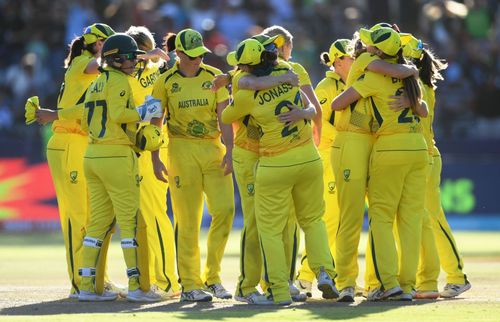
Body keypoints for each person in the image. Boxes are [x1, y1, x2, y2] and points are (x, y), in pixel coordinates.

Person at [222, 38, 338, 305]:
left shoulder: (246, 91)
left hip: (273, 161)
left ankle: (278, 290)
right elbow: (311, 108)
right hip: (308, 156)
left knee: (269, 230)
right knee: (313, 221)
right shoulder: (288, 73)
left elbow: (228, 116)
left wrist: (235, 90)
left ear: (248, 66)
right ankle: (324, 272)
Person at [332, 26, 428, 301]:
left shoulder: (372, 73)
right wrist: (411, 85)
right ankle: (407, 285)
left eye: (371, 43)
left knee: (380, 217)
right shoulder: (409, 78)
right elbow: (423, 109)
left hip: (388, 147)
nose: (365, 45)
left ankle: (388, 283)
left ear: (377, 50)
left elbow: (339, 104)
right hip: (417, 147)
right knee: (409, 220)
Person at [33, 23, 117, 299]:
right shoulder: (83, 62)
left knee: (94, 216)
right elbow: (101, 64)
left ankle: (95, 278)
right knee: (77, 216)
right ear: (96, 44)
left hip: (82, 142)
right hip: (69, 141)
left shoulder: (93, 68)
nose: (113, 49)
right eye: (107, 43)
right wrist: (137, 54)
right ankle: (81, 284)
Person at [78, 33, 164, 302]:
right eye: (129, 57)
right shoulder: (119, 81)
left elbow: (83, 120)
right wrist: (144, 112)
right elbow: (118, 114)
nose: (134, 62)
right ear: (115, 59)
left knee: (98, 225)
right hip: (116, 156)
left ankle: (87, 287)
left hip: (92, 154)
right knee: (130, 223)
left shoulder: (95, 83)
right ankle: (138, 286)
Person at [151, 28, 235, 302]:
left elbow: (225, 117)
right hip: (180, 148)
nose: (199, 59)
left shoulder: (214, 77)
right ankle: (190, 283)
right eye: (193, 56)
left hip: (213, 147)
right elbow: (155, 120)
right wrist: (155, 157)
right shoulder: (165, 81)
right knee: (187, 221)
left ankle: (213, 278)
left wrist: (231, 148)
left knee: (224, 211)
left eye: (201, 54)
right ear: (179, 54)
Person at [221, 34, 305, 303]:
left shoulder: (284, 70)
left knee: (283, 223)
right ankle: (247, 286)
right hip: (249, 153)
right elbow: (242, 84)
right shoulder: (240, 78)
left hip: (274, 155)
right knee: (257, 222)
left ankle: (278, 283)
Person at [401, 35, 471, 299]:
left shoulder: (417, 85)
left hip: (426, 157)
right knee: (424, 219)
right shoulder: (419, 81)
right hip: (423, 156)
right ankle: (434, 277)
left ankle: (457, 276)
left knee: (433, 217)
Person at [125, 25, 180, 299]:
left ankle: (169, 281)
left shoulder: (156, 73)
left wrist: (150, 58)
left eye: (133, 51)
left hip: (154, 147)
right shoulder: (123, 74)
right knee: (138, 220)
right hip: (131, 149)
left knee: (155, 214)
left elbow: (155, 110)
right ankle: (147, 282)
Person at [295, 39, 352, 297]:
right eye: (350, 57)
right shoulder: (327, 86)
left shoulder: (357, 80)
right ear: (337, 61)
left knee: (344, 220)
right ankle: (306, 275)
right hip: (330, 153)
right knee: (329, 217)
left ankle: (337, 275)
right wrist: (348, 135)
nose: (355, 60)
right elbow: (320, 121)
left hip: (350, 153)